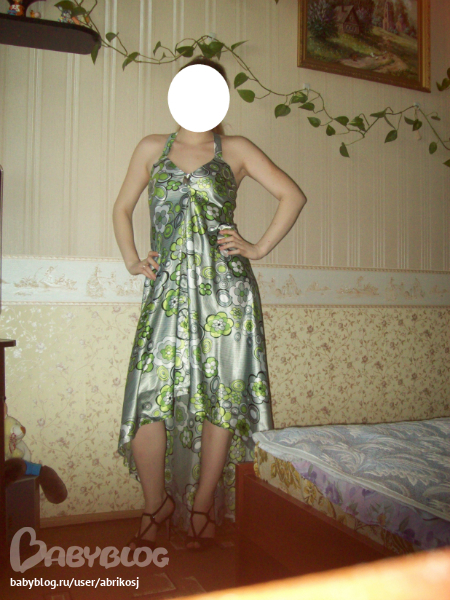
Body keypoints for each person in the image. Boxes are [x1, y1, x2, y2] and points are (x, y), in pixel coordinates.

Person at [113, 56, 307, 551]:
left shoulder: (236, 150)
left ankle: (201, 509)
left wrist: (257, 248)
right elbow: (122, 207)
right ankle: (155, 505)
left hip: (226, 292)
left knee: (221, 397)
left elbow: (292, 195)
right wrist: (132, 260)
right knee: (149, 398)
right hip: (166, 294)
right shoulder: (152, 147)